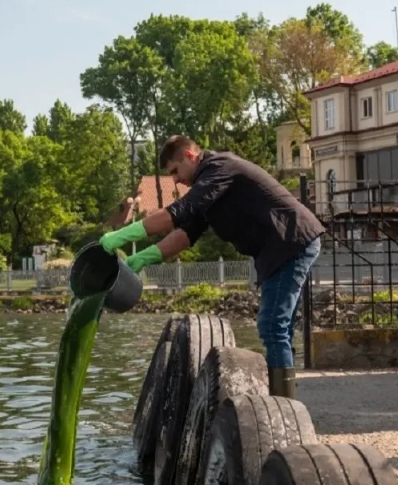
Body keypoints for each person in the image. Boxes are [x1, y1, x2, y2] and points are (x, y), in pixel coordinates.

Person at [98, 135, 325, 398]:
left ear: (189, 156)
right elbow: (186, 234)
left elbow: (180, 210)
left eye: (175, 171)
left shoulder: (220, 167)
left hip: (291, 241)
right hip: (280, 248)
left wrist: (123, 235)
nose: (175, 180)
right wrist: (142, 258)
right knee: (278, 327)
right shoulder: (206, 184)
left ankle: (283, 408)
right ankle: (285, 401)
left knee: (273, 325)